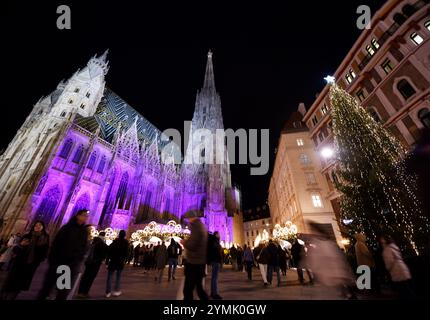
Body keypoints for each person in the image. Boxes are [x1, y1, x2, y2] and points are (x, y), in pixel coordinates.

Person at [37, 210, 90, 300]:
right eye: (84, 215)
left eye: (86, 216)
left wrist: (77, 260)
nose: (85, 217)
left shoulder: (84, 231)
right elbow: (56, 243)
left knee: (62, 292)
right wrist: (52, 260)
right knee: (47, 288)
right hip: (58, 262)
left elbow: (84, 248)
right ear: (78, 216)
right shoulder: (67, 228)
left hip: (70, 265)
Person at [182, 210, 209, 300]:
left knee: (188, 290)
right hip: (199, 262)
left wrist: (184, 242)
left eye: (188, 219)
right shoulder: (201, 226)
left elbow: (192, 245)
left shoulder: (196, 227)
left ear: (192, 218)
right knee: (199, 289)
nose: (188, 221)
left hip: (194, 263)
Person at [77, 231, 108, 298]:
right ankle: (85, 292)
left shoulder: (93, 240)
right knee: (90, 277)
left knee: (85, 276)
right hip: (96, 263)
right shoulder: (102, 243)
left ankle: (80, 292)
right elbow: (103, 254)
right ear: (104, 236)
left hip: (89, 261)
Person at [0, 235, 32, 300]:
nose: (25, 242)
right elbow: (14, 252)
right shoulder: (17, 247)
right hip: (14, 268)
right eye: (24, 240)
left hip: (21, 271)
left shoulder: (28, 250)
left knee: (13, 286)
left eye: (27, 241)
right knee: (7, 283)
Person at [105, 230, 129, 298]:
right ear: (124, 235)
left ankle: (108, 292)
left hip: (113, 261)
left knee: (109, 277)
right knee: (118, 277)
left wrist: (107, 261)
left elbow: (109, 251)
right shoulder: (126, 243)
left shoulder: (115, 241)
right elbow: (126, 253)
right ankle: (116, 291)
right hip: (120, 262)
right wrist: (125, 260)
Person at [207, 231, 223, 299]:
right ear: (216, 235)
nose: (220, 235)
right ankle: (215, 294)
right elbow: (216, 252)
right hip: (216, 261)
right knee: (215, 278)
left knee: (214, 278)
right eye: (218, 234)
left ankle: (212, 292)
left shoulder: (213, 241)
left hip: (214, 260)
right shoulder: (215, 241)